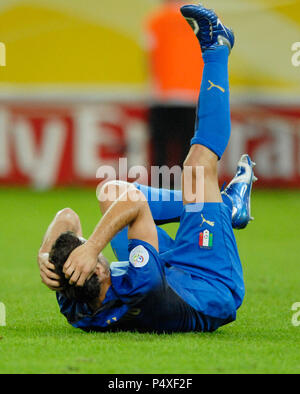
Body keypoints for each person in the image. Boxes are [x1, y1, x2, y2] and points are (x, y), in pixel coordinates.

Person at [38, 4, 257, 333]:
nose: (95, 254)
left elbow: (67, 217)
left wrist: (46, 254)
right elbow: (136, 206)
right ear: (96, 271)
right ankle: (218, 47)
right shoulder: (143, 286)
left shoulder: (77, 304)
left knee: (110, 192)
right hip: (209, 279)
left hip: (171, 272)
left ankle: (225, 206)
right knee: (197, 168)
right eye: (95, 259)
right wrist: (94, 247)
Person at [145, 0, 204, 170]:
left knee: (160, 151)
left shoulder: (156, 20)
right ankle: (189, 193)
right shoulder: (205, 19)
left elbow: (150, 56)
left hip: (163, 95)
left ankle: (159, 191)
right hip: (195, 95)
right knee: (191, 151)